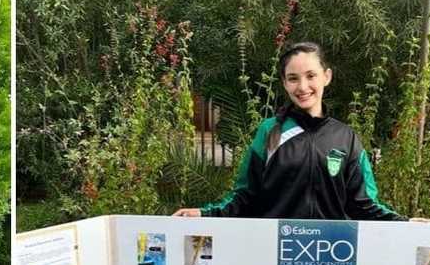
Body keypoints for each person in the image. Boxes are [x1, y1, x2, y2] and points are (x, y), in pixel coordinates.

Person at [174, 42, 413, 221]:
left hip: (330, 257)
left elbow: (363, 204)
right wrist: (205, 214)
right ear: (284, 82)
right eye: (293, 78)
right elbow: (245, 196)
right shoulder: (270, 132)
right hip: (275, 256)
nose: (303, 87)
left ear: (326, 77)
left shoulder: (346, 138)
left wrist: (406, 223)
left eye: (311, 76)